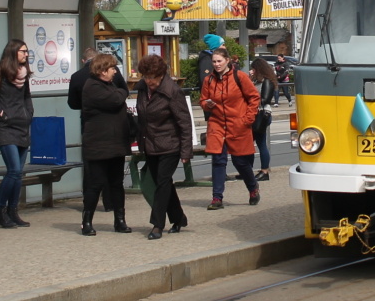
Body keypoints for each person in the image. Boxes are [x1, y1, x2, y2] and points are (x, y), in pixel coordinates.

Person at [135, 55, 192, 240]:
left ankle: (157, 225)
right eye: (145, 76)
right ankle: (178, 218)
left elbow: (184, 123)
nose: (149, 81)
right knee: (164, 183)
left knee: (161, 183)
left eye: (152, 77)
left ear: (161, 75)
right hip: (150, 144)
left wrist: (185, 151)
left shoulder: (172, 91)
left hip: (170, 145)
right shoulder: (143, 88)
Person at [79, 53, 133, 236]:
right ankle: (86, 221)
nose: (115, 72)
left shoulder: (109, 85)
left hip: (115, 143)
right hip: (98, 144)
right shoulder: (92, 86)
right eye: (112, 69)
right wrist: (123, 91)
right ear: (102, 71)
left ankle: (120, 220)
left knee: (117, 183)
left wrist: (120, 90)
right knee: (96, 184)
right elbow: (117, 99)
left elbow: (119, 94)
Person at [201, 46, 261, 209]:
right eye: (214, 62)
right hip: (217, 124)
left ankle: (253, 188)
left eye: (219, 61)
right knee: (218, 161)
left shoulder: (239, 76)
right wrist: (207, 104)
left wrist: (247, 119)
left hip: (238, 124)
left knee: (240, 161)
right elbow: (203, 100)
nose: (216, 64)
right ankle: (217, 198)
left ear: (227, 61)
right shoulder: (209, 80)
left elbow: (254, 97)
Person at [0, 39, 34, 229]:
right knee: (14, 170)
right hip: (6, 128)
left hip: (23, 127)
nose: (26, 54)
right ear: (13, 52)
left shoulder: (24, 75)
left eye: (27, 51)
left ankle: (13, 211)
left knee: (19, 173)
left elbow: (26, 97)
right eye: (23, 51)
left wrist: (29, 113)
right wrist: (1, 113)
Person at [68, 46, 126, 111]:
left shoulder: (76, 76)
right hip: (114, 112)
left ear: (83, 61)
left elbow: (73, 103)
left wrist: (88, 105)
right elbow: (124, 90)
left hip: (89, 116)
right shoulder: (112, 70)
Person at [249, 57, 277, 181]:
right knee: (250, 143)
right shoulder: (257, 81)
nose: (252, 71)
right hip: (255, 114)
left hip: (261, 114)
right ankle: (249, 170)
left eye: (253, 69)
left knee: (261, 143)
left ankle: (264, 170)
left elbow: (265, 99)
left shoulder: (267, 81)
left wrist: (252, 101)